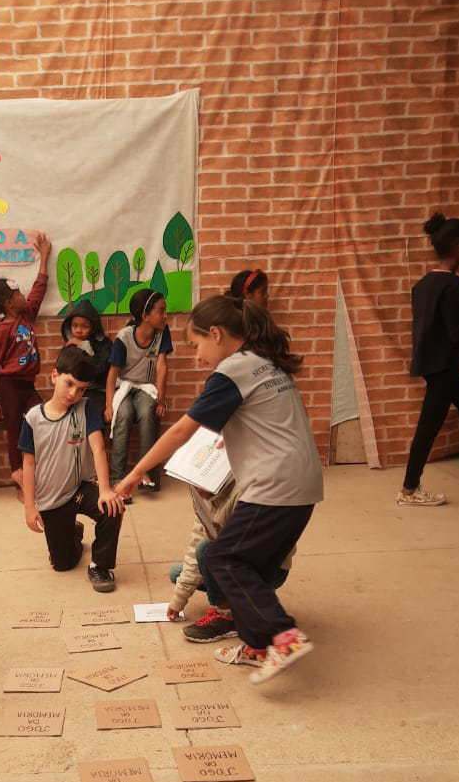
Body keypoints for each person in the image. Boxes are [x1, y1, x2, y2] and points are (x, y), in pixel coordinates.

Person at [115, 294, 322, 684]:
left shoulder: (232, 371)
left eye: (196, 345)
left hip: (274, 486)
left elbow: (181, 430)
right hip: (302, 485)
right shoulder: (265, 363)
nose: (197, 357)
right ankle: (257, 645)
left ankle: (284, 637)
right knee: (250, 567)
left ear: (216, 334)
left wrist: (134, 473)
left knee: (223, 559)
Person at [398, 213, 459, 506]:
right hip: (442, 365)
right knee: (428, 427)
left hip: (432, 364)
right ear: (458, 246)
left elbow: (439, 325)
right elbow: (456, 334)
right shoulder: (454, 285)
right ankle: (408, 491)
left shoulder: (423, 284)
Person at [19, 346, 126, 591]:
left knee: (112, 508)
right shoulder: (33, 419)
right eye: (69, 384)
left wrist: (105, 490)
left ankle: (100, 565)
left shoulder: (85, 408)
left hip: (80, 488)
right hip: (52, 498)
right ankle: (73, 532)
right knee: (63, 564)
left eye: (81, 389)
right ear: (54, 375)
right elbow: (28, 464)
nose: (73, 394)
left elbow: (98, 448)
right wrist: (29, 507)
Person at [167, 480, 292, 644]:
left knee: (208, 549)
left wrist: (223, 539)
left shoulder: (243, 494)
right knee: (178, 572)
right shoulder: (205, 501)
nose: (196, 490)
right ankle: (240, 604)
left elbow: (262, 546)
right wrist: (178, 599)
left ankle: (227, 616)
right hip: (234, 564)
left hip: (267, 568)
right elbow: (194, 549)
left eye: (198, 484)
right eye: (192, 484)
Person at [0, 232, 52, 500]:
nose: (24, 295)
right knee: (15, 434)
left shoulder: (27, 316)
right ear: (8, 303)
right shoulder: (2, 331)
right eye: (18, 293)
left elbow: (39, 290)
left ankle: (37, 476)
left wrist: (44, 258)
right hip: (8, 388)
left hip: (27, 386)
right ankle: (19, 481)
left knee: (41, 421)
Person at [105, 288, 172, 491]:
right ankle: (117, 479)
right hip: (123, 386)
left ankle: (146, 475)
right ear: (145, 315)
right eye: (161, 311)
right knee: (123, 415)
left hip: (146, 387)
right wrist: (109, 406)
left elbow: (161, 366)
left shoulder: (162, 332)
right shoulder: (124, 338)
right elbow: (112, 374)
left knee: (147, 412)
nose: (165, 315)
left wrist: (161, 400)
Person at [60, 299, 111, 415]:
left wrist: (84, 346)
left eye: (85, 326)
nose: (78, 330)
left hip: (96, 391)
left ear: (93, 328)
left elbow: (99, 369)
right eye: (75, 325)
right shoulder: (70, 344)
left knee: (91, 414)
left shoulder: (104, 344)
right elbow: (62, 369)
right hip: (73, 390)